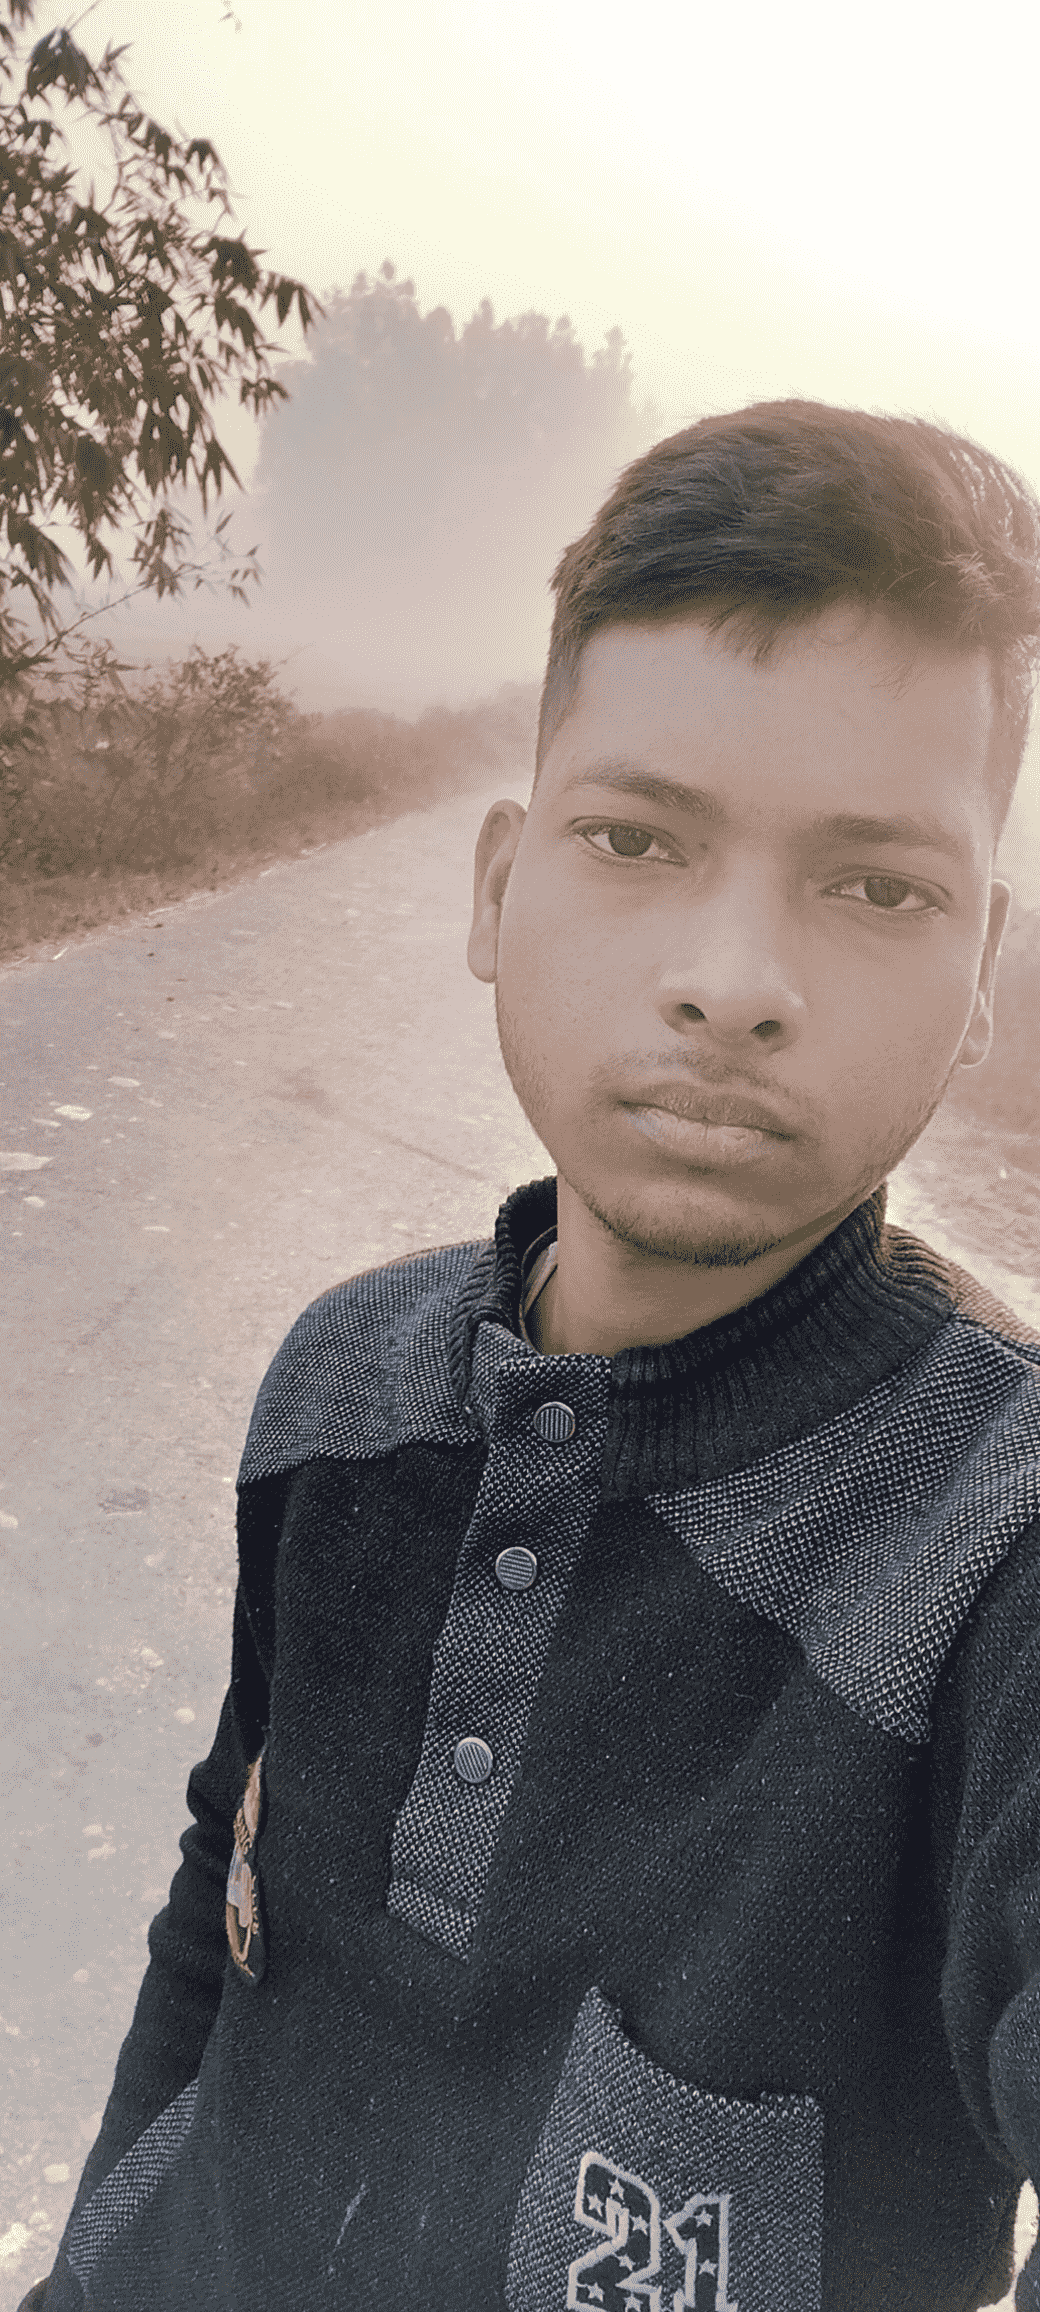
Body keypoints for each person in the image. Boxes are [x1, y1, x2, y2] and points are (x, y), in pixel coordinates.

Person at [23, 399, 1040, 2312]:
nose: (733, 981)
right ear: (500, 886)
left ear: (982, 968)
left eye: (877, 887)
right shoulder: (341, 1385)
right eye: (636, 838)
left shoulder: (992, 1547)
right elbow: (220, 1905)